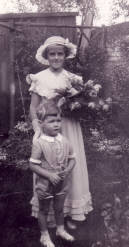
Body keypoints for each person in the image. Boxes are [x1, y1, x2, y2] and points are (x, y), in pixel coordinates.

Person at [27, 36, 92, 228]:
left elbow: (83, 105)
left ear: (65, 55)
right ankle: (49, 215)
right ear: (47, 56)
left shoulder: (73, 78)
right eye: (52, 54)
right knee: (48, 168)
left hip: (69, 127)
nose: (56, 57)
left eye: (59, 54)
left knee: (70, 166)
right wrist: (37, 128)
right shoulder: (39, 78)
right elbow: (33, 107)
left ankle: (71, 212)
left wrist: (79, 105)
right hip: (47, 128)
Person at [29, 100, 75, 247]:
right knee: (43, 209)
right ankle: (44, 235)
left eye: (58, 121)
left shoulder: (65, 140)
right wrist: (49, 175)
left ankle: (60, 230)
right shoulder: (40, 143)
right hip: (45, 183)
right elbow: (33, 165)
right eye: (51, 121)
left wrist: (68, 170)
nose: (56, 124)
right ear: (41, 123)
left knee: (59, 208)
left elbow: (73, 159)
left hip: (62, 182)